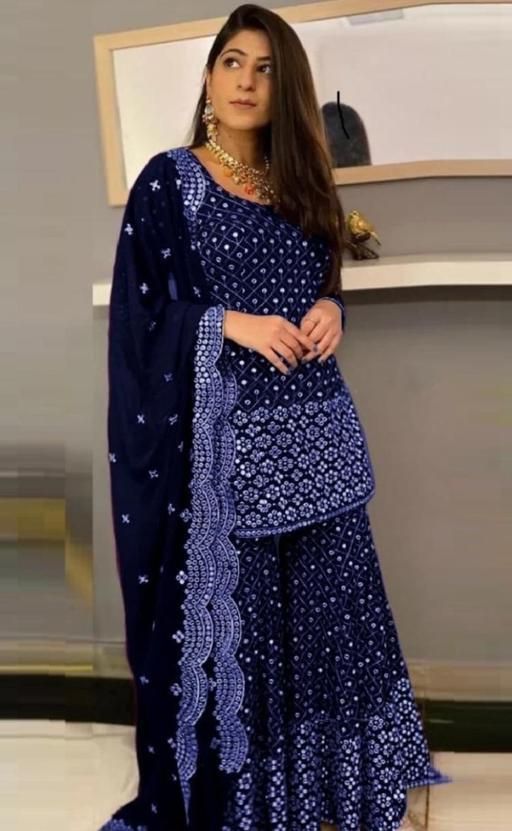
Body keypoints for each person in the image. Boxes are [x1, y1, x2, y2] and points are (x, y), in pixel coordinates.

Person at [99, 5, 452, 831]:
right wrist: (229, 323)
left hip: (319, 445)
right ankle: (255, 801)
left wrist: (332, 308)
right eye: (232, 62)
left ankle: (331, 788)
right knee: (248, 635)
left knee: (329, 622)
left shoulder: (304, 183)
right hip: (227, 458)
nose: (246, 81)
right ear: (208, 77)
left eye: (264, 68)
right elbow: (140, 318)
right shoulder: (170, 182)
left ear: (284, 85)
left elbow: (322, 281)